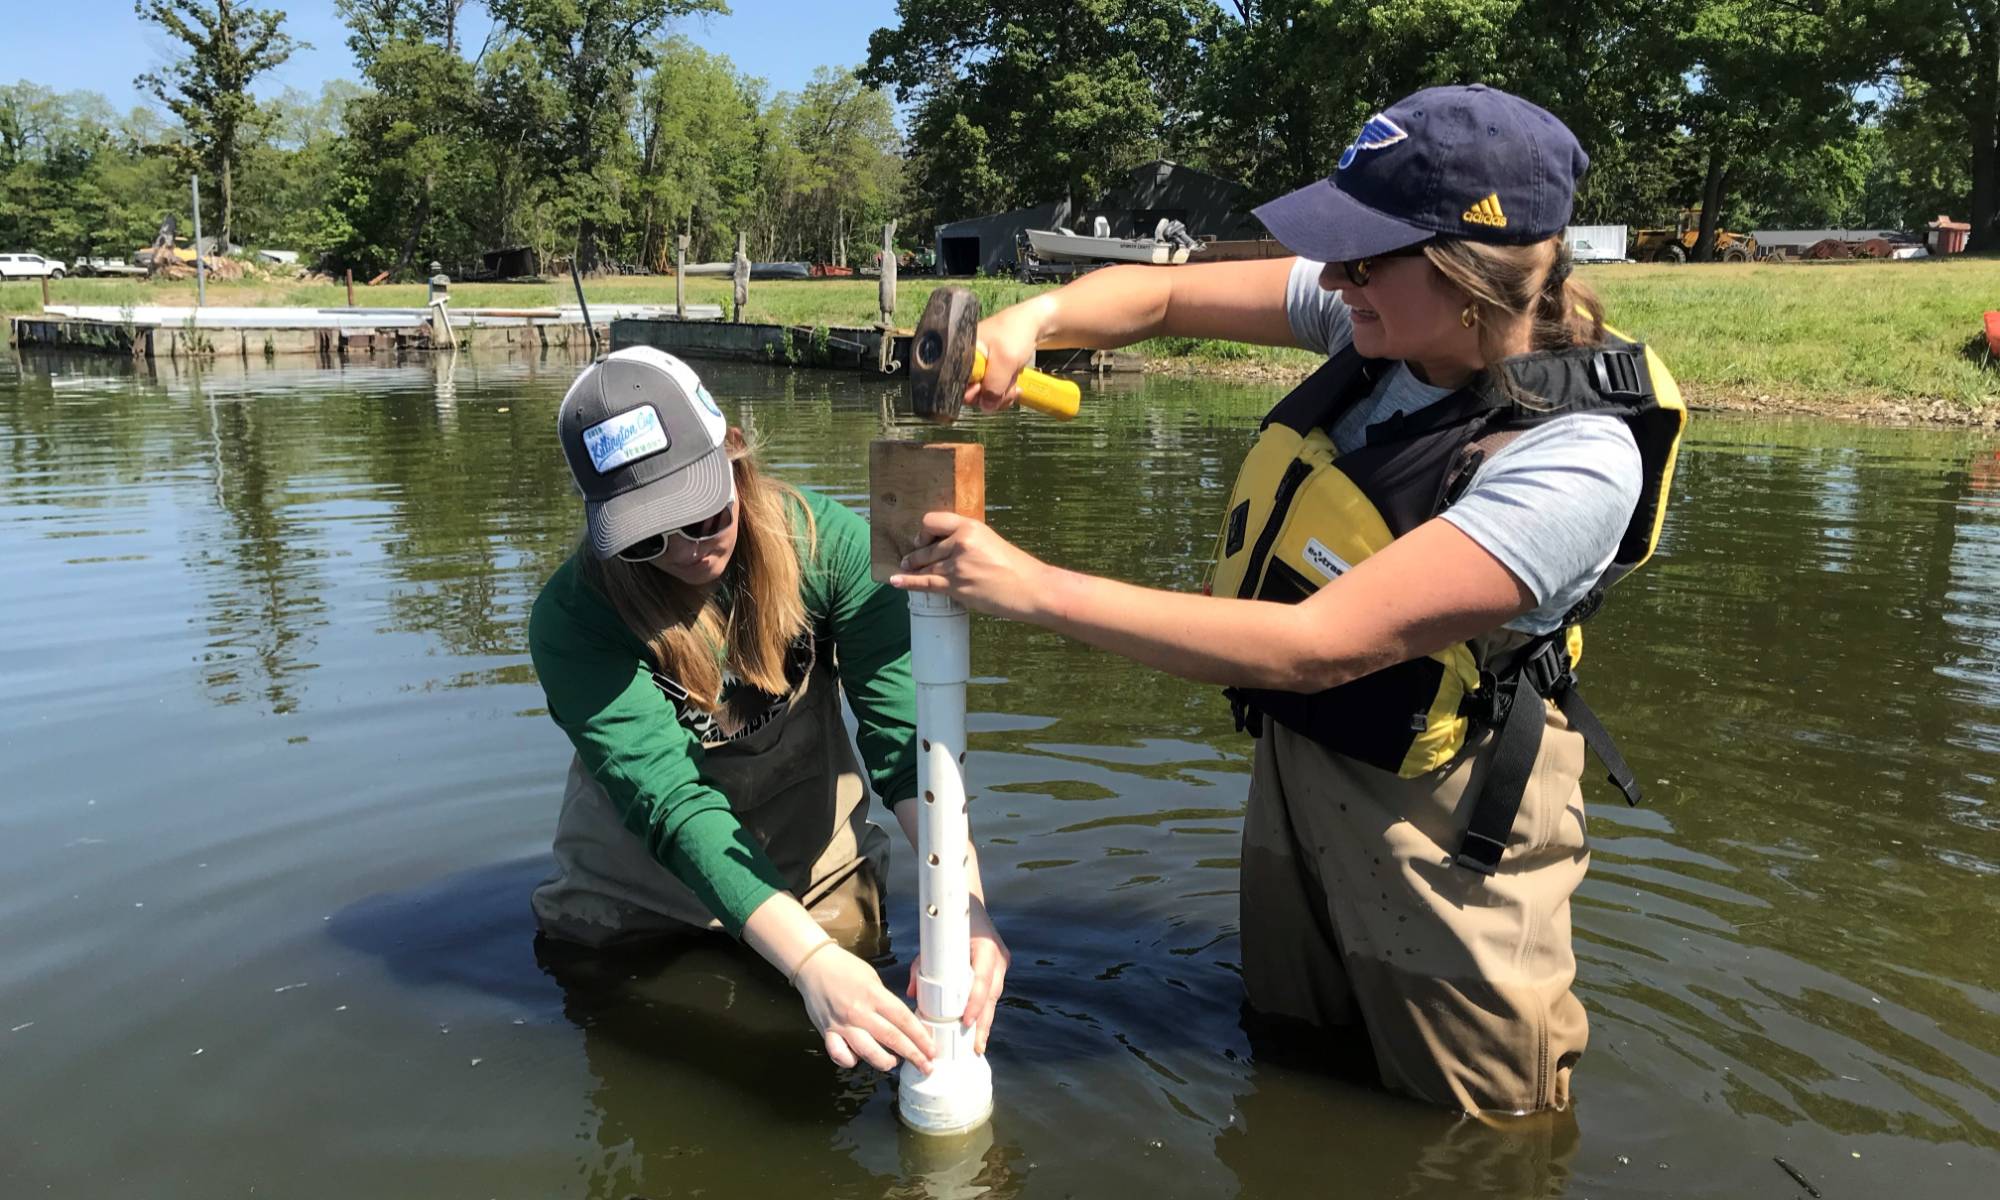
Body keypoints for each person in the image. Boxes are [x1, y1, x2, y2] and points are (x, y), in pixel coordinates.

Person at [889, 85, 1685, 1114]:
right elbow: (1162, 299)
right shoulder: (1381, 318)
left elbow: (1317, 643)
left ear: (1470, 274)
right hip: (1304, 755)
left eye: (1365, 256)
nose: (1337, 279)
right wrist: (1029, 320)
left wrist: (1032, 588)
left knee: (1478, 1125)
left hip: (1444, 809)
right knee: (1291, 1059)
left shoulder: (1574, 460)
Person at [528, 346, 1010, 1075]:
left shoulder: (832, 550)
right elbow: (672, 803)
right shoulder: (571, 619)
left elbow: (904, 749)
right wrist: (809, 961)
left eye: (700, 515)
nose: (686, 552)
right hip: (632, 885)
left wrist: (964, 905)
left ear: (735, 454)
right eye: (646, 537)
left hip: (808, 866)